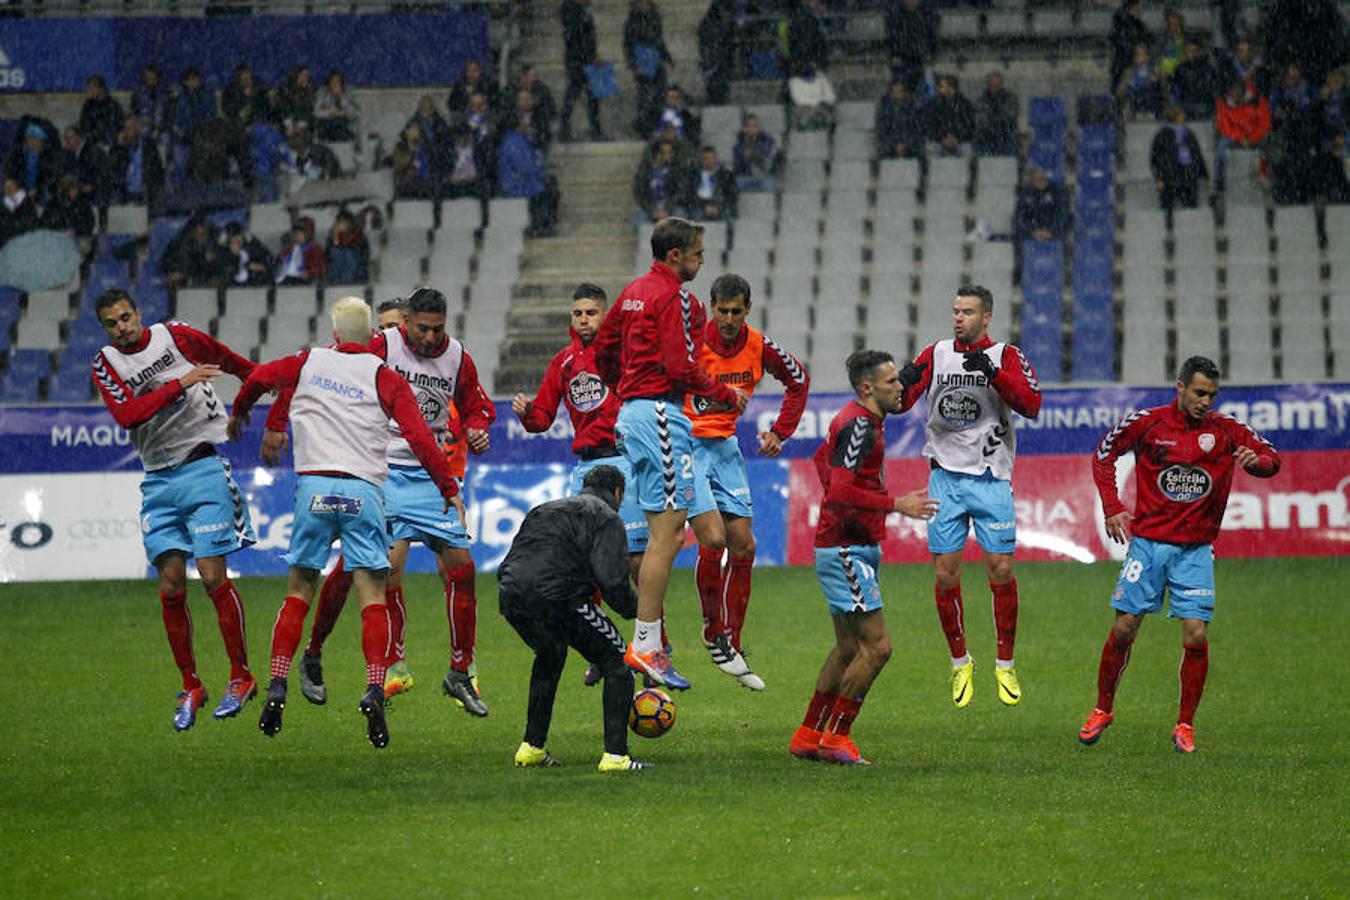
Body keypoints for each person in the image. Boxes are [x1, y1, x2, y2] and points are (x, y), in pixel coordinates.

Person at [228, 296, 464, 749]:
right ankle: (375, 687)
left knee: (299, 590)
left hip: (314, 490)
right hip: (364, 493)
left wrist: (240, 410)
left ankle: (278, 681)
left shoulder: (308, 361)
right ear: (373, 336)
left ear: (335, 334)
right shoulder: (384, 376)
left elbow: (258, 378)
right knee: (372, 595)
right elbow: (418, 436)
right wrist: (447, 487)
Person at [282, 289, 495, 712]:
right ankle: (320, 653)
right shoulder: (383, 345)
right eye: (423, 328)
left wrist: (476, 426)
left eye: (439, 328)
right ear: (406, 323)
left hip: (429, 475)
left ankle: (460, 671)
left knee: (462, 567)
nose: (432, 337)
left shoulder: (458, 358)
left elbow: (478, 405)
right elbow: (331, 368)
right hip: (379, 469)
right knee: (365, 568)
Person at [1079, 356, 1281, 754]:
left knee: (1197, 634)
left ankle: (1185, 725)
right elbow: (1103, 455)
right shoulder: (1147, 423)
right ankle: (1103, 708)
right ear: (1181, 387)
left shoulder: (1226, 430)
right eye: (1200, 393)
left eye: (1212, 395)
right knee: (1123, 629)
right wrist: (1111, 505)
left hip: (1195, 551)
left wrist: (1255, 464)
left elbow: (1271, 460)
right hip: (1148, 546)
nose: (1206, 401)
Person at [591, 217, 748, 690]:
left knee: (670, 531)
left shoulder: (634, 291)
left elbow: (601, 350)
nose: (702, 260)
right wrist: (722, 393)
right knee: (668, 534)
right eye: (698, 253)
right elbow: (680, 365)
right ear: (676, 255)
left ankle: (649, 643)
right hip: (660, 415)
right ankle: (646, 643)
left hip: (636, 414)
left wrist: (624, 385)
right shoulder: (676, 298)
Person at [90, 288, 258, 731]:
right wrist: (178, 384)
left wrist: (251, 401)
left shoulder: (176, 336)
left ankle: (241, 676)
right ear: (104, 327)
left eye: (127, 317)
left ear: (139, 312)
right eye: (112, 322)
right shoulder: (106, 363)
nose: (122, 327)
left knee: (213, 577)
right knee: (169, 586)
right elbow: (128, 415)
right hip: (158, 481)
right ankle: (191, 684)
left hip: (202, 468)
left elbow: (236, 364)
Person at [788, 350, 939, 765]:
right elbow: (838, 490)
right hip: (845, 548)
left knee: (847, 647)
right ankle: (837, 738)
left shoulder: (857, 419)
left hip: (846, 543)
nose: (900, 388)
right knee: (877, 648)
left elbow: (822, 460)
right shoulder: (860, 426)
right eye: (891, 382)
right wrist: (894, 505)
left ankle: (808, 734)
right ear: (867, 387)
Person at [897, 285, 1043, 708]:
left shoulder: (1006, 357)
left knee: (999, 569)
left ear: (987, 317)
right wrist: (900, 384)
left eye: (967, 312)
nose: (958, 318)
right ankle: (960, 660)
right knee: (945, 574)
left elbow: (1032, 404)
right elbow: (903, 402)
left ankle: (1005, 663)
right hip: (945, 479)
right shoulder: (937, 352)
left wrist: (993, 374)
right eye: (955, 310)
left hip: (991, 477)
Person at [684, 274, 809, 690]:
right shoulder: (689, 341)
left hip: (724, 448)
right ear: (712, 306)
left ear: (747, 309)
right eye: (722, 310)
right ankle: (711, 628)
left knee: (744, 546)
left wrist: (780, 432)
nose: (729, 319)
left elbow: (799, 380)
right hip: (687, 445)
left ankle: (731, 642)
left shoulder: (759, 345)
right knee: (713, 540)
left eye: (737, 311)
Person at [499, 464, 649, 772]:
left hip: (511, 594)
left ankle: (532, 749)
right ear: (618, 493)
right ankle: (616, 757)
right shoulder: (607, 517)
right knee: (620, 663)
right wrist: (643, 613)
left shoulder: (545, 509)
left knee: (550, 653)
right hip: (558, 597)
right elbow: (613, 583)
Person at [497, 115, 561, 237]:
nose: (527, 124)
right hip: (515, 184)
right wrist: (540, 175)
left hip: (523, 181)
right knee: (544, 189)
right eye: (524, 121)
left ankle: (544, 223)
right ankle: (539, 225)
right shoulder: (513, 143)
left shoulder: (520, 140)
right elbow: (525, 168)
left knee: (550, 183)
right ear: (518, 125)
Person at [624, 0, 673, 137]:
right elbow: (628, 44)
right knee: (645, 97)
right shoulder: (633, 21)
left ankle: (654, 125)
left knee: (659, 96)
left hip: (655, 60)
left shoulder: (654, 18)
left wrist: (666, 57)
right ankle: (644, 128)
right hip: (643, 60)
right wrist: (634, 64)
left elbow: (659, 40)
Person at [560, 0, 607, 142]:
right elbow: (576, 38)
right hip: (579, 61)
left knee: (591, 96)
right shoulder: (573, 12)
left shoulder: (580, 12)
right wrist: (590, 56)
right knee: (575, 94)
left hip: (583, 59)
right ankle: (566, 128)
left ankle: (594, 129)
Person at [1150, 106, 1209, 216]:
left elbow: (1197, 154)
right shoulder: (1162, 135)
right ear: (1175, 116)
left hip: (1189, 172)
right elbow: (1155, 159)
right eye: (1181, 114)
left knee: (1191, 206)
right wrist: (1158, 178)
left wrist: (1205, 175)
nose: (1184, 116)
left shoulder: (1189, 133)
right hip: (1169, 174)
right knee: (1168, 207)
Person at [1014, 167, 1070, 243]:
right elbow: (1020, 214)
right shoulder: (1026, 193)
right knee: (1018, 229)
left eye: (1041, 178)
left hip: (1053, 231)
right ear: (1032, 181)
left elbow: (1061, 214)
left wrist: (1049, 231)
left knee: (1066, 225)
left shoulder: (1057, 191)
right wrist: (1033, 230)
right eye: (1035, 179)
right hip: (1032, 232)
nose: (1040, 181)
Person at [875, 79, 927, 160]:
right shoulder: (884, 110)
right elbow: (882, 130)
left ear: (906, 93)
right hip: (891, 146)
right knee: (881, 149)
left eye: (900, 92)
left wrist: (906, 144)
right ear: (891, 94)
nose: (897, 95)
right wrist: (895, 145)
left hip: (911, 145)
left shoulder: (915, 108)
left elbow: (918, 129)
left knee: (920, 149)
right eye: (894, 92)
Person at [926, 74, 976, 158]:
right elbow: (930, 126)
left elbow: (970, 126)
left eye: (942, 86)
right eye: (940, 87)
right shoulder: (933, 105)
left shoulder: (965, 104)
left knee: (967, 148)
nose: (939, 89)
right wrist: (942, 138)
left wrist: (957, 138)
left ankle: (966, 171)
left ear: (951, 88)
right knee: (932, 148)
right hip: (939, 142)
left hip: (960, 142)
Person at [732, 113, 782, 193]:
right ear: (745, 128)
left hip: (766, 176)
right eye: (749, 126)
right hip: (747, 178)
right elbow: (737, 169)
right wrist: (744, 159)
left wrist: (754, 155)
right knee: (737, 184)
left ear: (758, 127)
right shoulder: (738, 146)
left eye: (754, 126)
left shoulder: (768, 140)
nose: (752, 129)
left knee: (770, 184)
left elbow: (769, 160)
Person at [974, 71, 1020, 157]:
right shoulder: (982, 99)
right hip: (986, 137)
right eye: (992, 82)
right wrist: (996, 120)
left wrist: (994, 119)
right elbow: (981, 120)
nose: (994, 85)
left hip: (1006, 136)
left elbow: (1010, 118)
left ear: (1001, 83)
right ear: (988, 83)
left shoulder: (1010, 98)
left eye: (997, 83)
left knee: (1012, 147)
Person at [698, 0, 735, 106]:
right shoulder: (709, 23)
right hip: (712, 61)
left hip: (721, 61)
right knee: (713, 87)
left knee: (722, 87)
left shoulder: (724, 23)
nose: (726, 15)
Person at [690, 146, 738, 221]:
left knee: (728, 214)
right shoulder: (694, 176)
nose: (709, 161)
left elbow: (733, 194)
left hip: (721, 206)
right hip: (701, 207)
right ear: (701, 160)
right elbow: (690, 195)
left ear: (715, 158)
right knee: (695, 215)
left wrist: (718, 207)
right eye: (706, 158)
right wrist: (704, 207)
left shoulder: (726, 175)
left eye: (711, 158)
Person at [314, 69, 361, 143]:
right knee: (323, 126)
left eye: (337, 82)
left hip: (345, 127)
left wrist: (343, 98)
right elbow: (316, 112)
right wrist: (331, 112)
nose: (335, 84)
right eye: (332, 82)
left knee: (341, 127)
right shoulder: (323, 92)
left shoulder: (349, 92)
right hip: (327, 126)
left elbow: (355, 113)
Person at [79, 75, 125, 149]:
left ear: (100, 89)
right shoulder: (88, 106)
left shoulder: (112, 105)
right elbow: (84, 126)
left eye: (91, 88)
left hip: (109, 143)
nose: (89, 91)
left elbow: (117, 124)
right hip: (93, 144)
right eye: (88, 89)